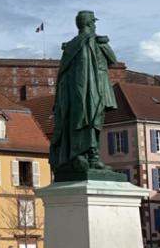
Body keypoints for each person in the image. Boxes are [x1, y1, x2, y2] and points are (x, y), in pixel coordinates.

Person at [49, 11, 119, 179]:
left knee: (91, 122)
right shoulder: (84, 43)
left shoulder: (81, 44)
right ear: (88, 24)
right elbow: (112, 61)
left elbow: (111, 59)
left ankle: (91, 157)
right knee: (89, 122)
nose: (95, 25)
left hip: (89, 90)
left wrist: (103, 43)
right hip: (87, 91)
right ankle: (85, 156)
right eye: (93, 22)